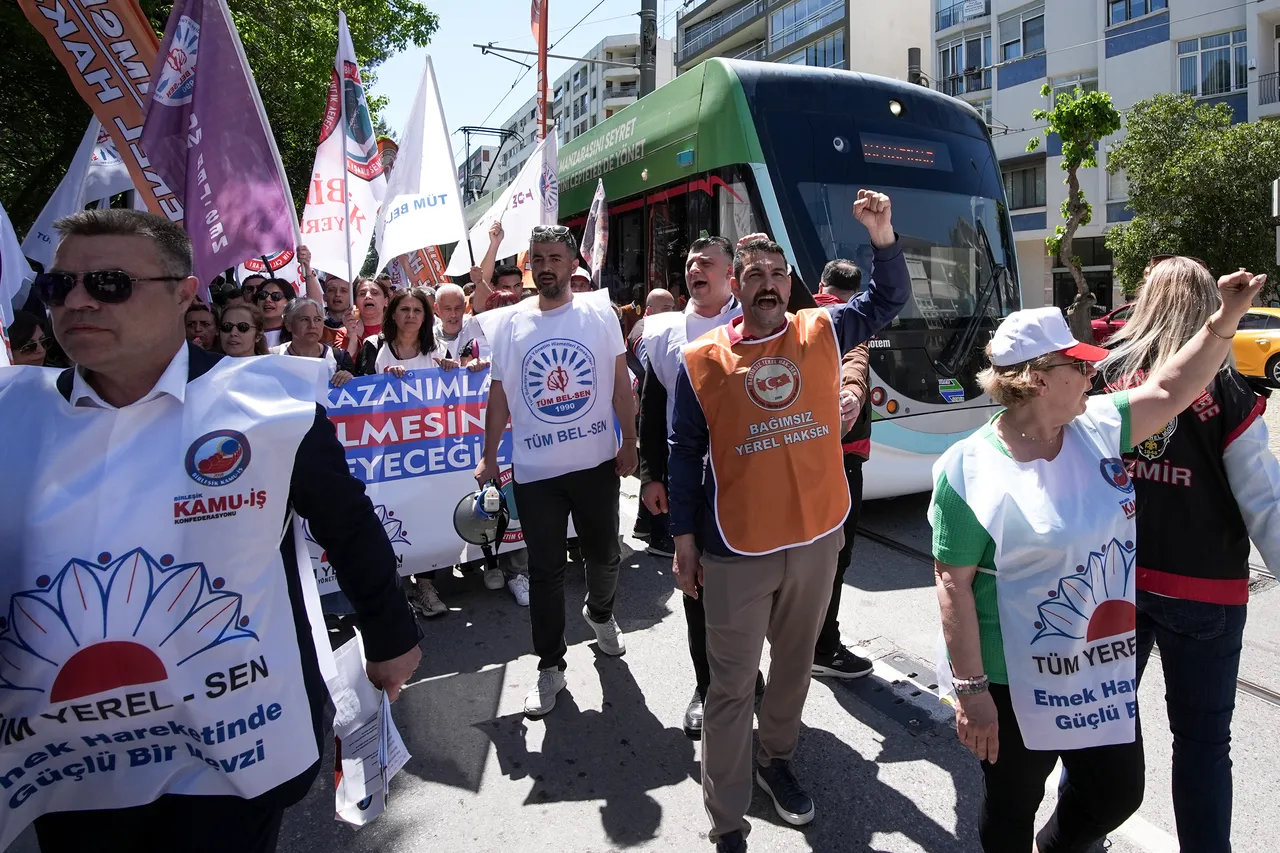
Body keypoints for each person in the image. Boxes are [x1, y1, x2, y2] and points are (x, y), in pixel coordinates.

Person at [1, 208, 421, 853]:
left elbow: (348, 523)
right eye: (59, 287)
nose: (78, 301)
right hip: (72, 760)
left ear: (183, 293)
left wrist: (390, 637)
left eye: (109, 283)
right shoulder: (12, 416)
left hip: (235, 743)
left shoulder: (271, 407)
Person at [929, 263, 1267, 853]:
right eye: (1077, 366)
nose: (1092, 374)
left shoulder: (1099, 425)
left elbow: (1171, 389)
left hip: (1097, 672)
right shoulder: (968, 467)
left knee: (1116, 794)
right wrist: (971, 690)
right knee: (1012, 803)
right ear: (1036, 378)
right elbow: (952, 584)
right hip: (1011, 679)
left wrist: (1223, 320)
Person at [667, 191, 909, 851]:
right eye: (754, 275)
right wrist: (683, 539)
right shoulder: (701, 360)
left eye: (778, 274)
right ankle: (726, 819)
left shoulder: (821, 329)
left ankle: (776, 756)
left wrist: (882, 235)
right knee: (729, 685)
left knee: (796, 666)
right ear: (734, 287)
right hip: (734, 550)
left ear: (789, 284)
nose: (768, 284)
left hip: (814, 539)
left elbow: (888, 299)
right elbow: (684, 454)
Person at [1095, 256, 1280, 853]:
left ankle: (1076, 834)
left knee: (1097, 720)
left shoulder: (1106, 378)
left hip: (1111, 585)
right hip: (1205, 590)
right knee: (1202, 743)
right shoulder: (1229, 391)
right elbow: (1264, 503)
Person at [474, 224, 637, 718]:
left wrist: (629, 442)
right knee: (546, 572)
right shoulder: (510, 322)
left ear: (572, 264)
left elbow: (617, 385)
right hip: (535, 472)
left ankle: (601, 614)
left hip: (595, 466)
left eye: (555, 258)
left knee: (605, 556)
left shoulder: (599, 312)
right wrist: (488, 454)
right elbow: (499, 393)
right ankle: (550, 666)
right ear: (530, 266)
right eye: (538, 258)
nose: (546, 266)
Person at [638, 237, 743, 739]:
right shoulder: (663, 334)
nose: (696, 269)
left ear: (731, 275)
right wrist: (650, 474)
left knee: (752, 588)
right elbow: (653, 411)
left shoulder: (762, 323)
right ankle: (706, 687)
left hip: (749, 484)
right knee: (695, 585)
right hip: (691, 483)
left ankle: (747, 675)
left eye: (707, 262)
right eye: (690, 263)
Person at [808, 259, 875, 680]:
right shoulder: (849, 322)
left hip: (793, 454)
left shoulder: (795, 316)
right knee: (835, 557)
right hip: (841, 457)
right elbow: (856, 362)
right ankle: (822, 647)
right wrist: (851, 392)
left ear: (821, 283)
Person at [359, 289, 457, 379]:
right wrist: (385, 379)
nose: (411, 315)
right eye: (405, 309)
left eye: (417, 310)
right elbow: (360, 391)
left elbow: (452, 393)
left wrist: (452, 372)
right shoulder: (373, 347)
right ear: (393, 314)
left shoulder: (440, 350)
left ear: (424, 317)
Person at [272, 297, 355, 388]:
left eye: (318, 319)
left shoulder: (339, 358)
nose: (312, 325)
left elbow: (357, 394)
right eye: (305, 319)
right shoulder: (272, 356)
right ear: (288, 324)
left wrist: (350, 379)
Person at [335, 276, 390, 361]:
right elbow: (342, 365)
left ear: (386, 301)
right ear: (355, 302)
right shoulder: (343, 333)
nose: (368, 296)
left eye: (374, 293)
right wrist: (352, 335)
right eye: (362, 294)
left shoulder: (397, 330)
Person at [434, 283, 488, 368]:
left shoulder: (477, 326)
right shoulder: (428, 338)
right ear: (436, 309)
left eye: (457, 308)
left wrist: (479, 281)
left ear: (464, 306)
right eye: (448, 309)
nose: (453, 314)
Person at [254, 278, 295, 349]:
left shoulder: (298, 334)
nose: (267, 299)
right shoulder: (246, 333)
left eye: (276, 296)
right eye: (263, 295)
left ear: (289, 302)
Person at [321, 273, 351, 345]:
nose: (337, 294)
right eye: (331, 290)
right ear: (324, 296)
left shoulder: (358, 324)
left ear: (351, 297)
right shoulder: (316, 321)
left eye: (343, 290)